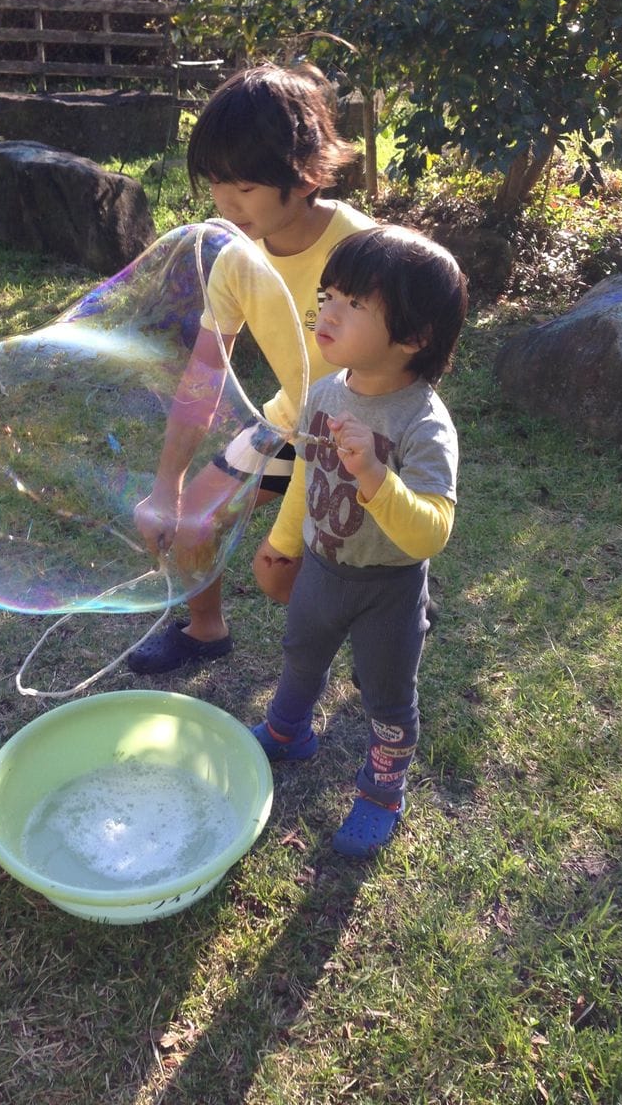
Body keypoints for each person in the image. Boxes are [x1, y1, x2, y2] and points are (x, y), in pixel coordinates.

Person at [128, 62, 375, 674]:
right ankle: (205, 631)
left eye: (244, 187)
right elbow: (203, 376)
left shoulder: (362, 249)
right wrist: (167, 485)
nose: (225, 204)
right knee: (192, 523)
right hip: (289, 424)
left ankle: (391, 606)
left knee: (301, 569)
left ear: (304, 174)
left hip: (360, 434)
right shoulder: (235, 264)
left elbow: (397, 366)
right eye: (216, 184)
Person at [250, 225, 468, 857]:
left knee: (387, 693)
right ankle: (289, 731)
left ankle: (380, 791)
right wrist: (284, 542)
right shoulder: (322, 393)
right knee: (301, 651)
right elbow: (305, 480)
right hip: (321, 566)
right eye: (328, 294)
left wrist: (376, 478)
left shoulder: (423, 424)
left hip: (389, 589)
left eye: (354, 304)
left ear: (414, 338)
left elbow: (433, 530)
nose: (326, 311)